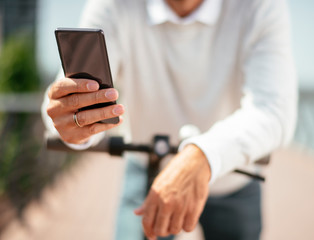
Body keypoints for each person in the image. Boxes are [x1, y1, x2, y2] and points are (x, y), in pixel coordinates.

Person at [42, 0, 297, 239]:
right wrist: (74, 122)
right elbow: (67, 93)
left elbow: (274, 109)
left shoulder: (260, 6)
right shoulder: (113, 5)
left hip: (233, 178)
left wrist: (203, 155)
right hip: (148, 169)